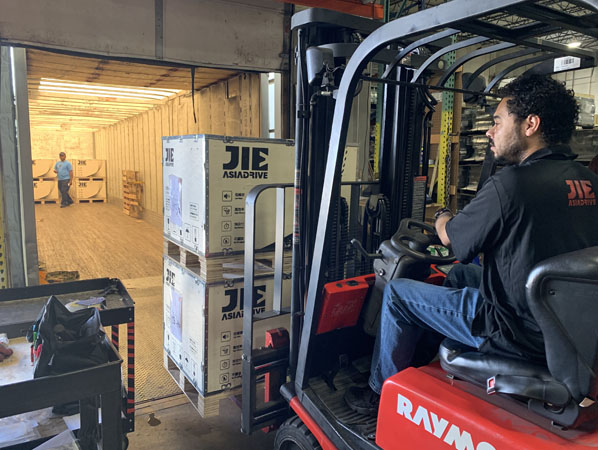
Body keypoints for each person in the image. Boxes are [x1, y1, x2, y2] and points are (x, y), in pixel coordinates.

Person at [345, 73, 598, 416]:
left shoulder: (512, 185)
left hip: (511, 329)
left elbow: (453, 240)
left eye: (497, 122)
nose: (490, 132)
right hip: (560, 324)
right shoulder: (587, 180)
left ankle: (381, 393)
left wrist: (442, 217)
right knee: (460, 275)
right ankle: (423, 361)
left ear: (530, 125)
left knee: (398, 295)